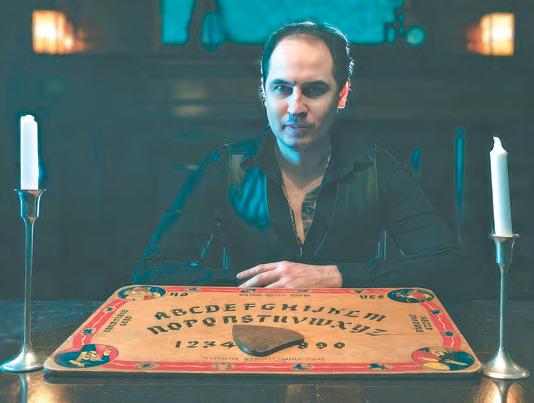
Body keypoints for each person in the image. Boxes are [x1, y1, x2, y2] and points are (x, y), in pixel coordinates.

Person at [133, 21, 481, 300]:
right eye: (282, 89)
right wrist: (262, 284)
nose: (295, 107)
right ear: (263, 91)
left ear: (342, 94)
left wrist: (335, 276)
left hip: (354, 345)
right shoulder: (224, 167)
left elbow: (450, 270)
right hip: (245, 344)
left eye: (313, 90)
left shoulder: (380, 169)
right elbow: (152, 271)